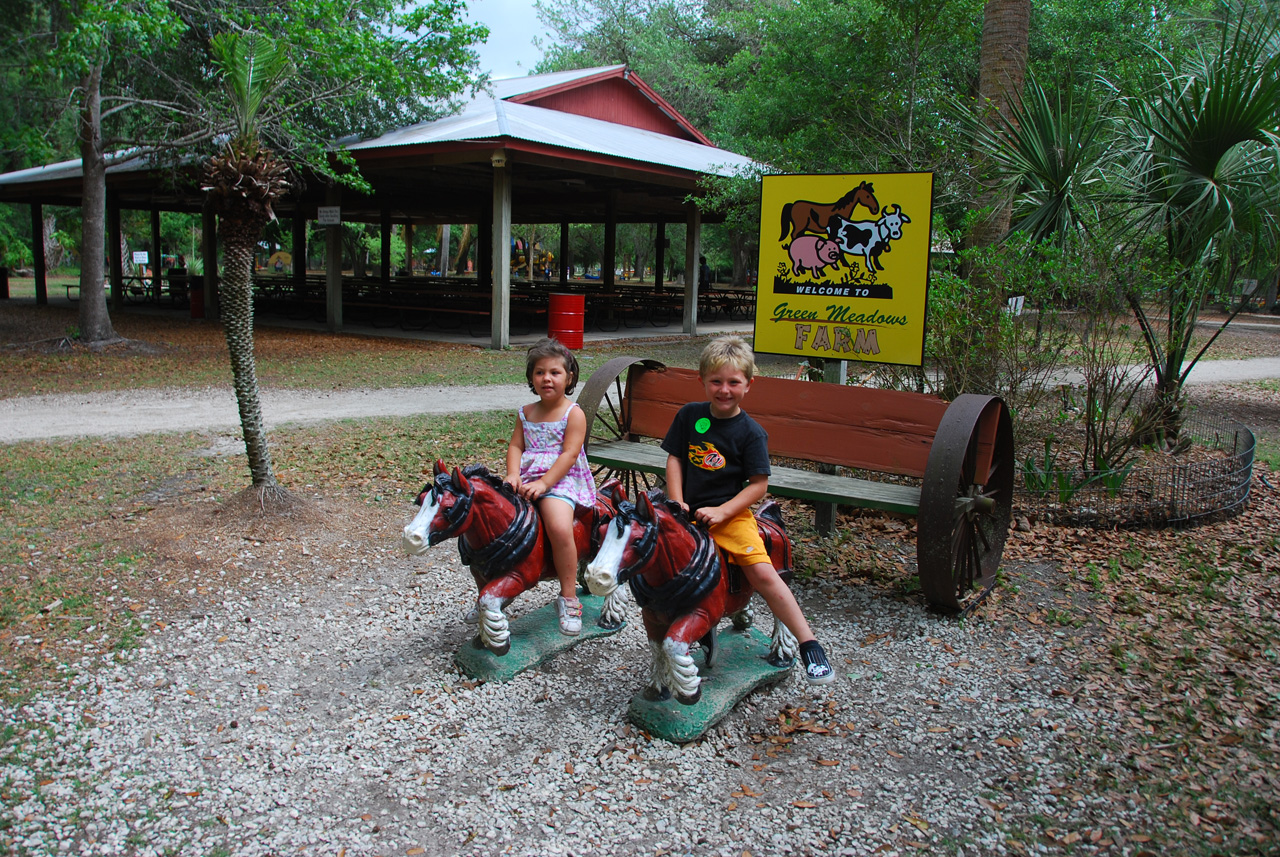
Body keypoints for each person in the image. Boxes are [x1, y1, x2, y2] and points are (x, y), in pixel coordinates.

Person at [661, 335, 836, 685]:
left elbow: (758, 485)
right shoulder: (690, 416)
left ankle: (809, 643)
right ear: (702, 381)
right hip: (686, 511)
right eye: (716, 382)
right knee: (651, 552)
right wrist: (677, 499)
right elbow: (676, 458)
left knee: (762, 571)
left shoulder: (751, 433)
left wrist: (724, 512)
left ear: (748, 385)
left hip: (730, 515)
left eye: (733, 383)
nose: (724, 390)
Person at [504, 338, 596, 635]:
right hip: (528, 478)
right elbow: (516, 446)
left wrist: (545, 484)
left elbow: (569, 454)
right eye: (540, 372)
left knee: (558, 526)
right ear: (531, 377)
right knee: (496, 519)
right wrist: (513, 474)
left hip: (560, 480)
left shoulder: (573, 413)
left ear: (569, 378)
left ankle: (568, 596)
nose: (547, 378)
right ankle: (495, 591)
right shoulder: (526, 412)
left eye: (555, 372)